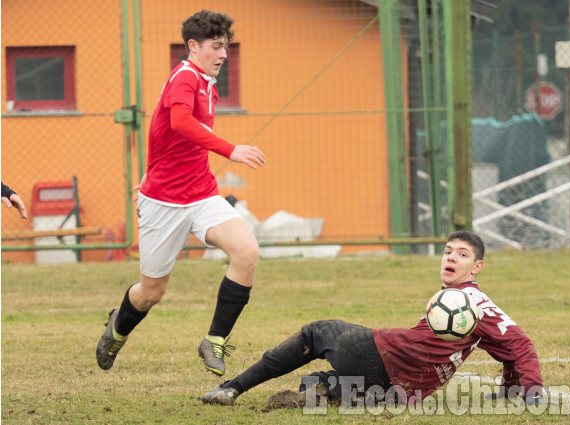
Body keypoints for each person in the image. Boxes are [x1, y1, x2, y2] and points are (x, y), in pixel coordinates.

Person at [96, 10, 265, 377]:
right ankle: (118, 329)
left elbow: (163, 131)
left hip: (201, 194)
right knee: (151, 293)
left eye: (226, 47)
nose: (223, 54)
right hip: (163, 204)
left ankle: (215, 340)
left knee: (247, 252)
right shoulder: (185, 77)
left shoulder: (206, 80)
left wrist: (152, 166)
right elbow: (179, 122)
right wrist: (229, 149)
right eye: (216, 47)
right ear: (193, 46)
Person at [202, 231, 544, 407]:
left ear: (477, 267)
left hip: (387, 358)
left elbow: (519, 343)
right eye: (447, 251)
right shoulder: (459, 300)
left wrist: (530, 390)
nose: (451, 257)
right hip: (411, 388)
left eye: (462, 254)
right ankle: (336, 390)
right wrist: (513, 387)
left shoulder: (469, 300)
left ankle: (231, 389)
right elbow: (510, 348)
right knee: (316, 381)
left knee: (316, 334)